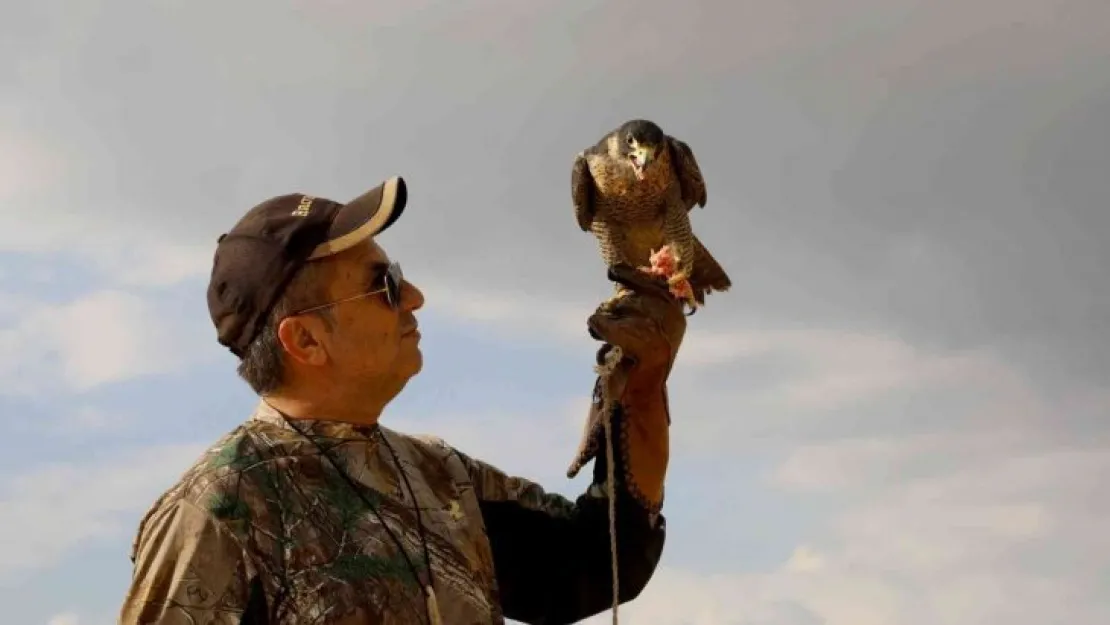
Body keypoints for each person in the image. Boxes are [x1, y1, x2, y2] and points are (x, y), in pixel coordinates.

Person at [118, 176, 687, 624]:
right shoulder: (217, 512)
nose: (414, 296)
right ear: (305, 340)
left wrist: (641, 382)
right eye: (383, 284)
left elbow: (604, 559)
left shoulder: (441, 477)